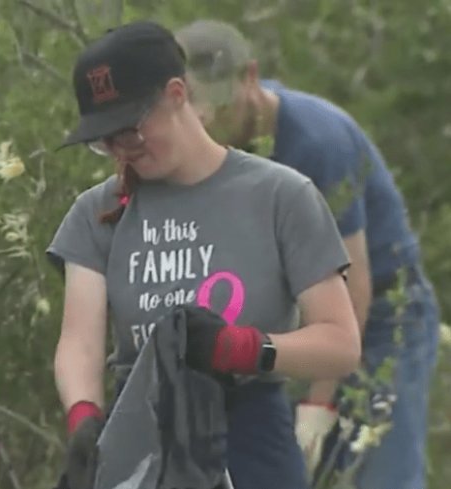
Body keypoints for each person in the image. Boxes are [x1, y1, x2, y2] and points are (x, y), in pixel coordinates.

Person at [45, 20, 361, 489]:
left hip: (251, 441)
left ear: (176, 94)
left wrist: (243, 348)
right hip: (142, 445)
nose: (121, 151)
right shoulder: (98, 212)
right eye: (105, 140)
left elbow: (341, 345)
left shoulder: (280, 195)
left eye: (129, 132)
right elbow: (80, 343)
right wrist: (84, 419)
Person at [174, 19, 442, 489]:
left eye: (220, 104)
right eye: (195, 106)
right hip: (297, 321)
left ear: (250, 77)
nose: (209, 119)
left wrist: (318, 405)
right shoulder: (211, 150)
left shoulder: (317, 142)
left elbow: (354, 287)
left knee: (384, 476)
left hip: (384, 314)